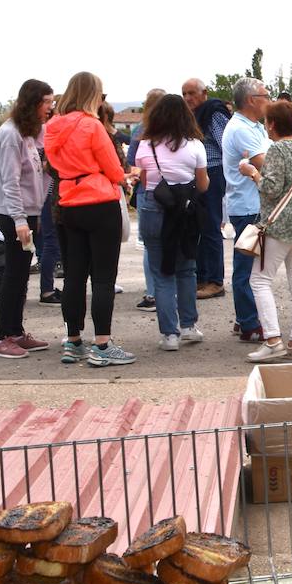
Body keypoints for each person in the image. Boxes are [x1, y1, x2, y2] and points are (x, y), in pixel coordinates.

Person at [44, 72, 137, 367]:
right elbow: (113, 167)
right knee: (103, 278)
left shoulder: (52, 125)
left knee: (74, 276)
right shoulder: (92, 125)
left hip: (68, 201)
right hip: (99, 201)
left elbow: (52, 164)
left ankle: (73, 341)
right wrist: (126, 177)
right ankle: (102, 345)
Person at [237, 99, 292, 362]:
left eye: (266, 122)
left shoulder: (276, 150)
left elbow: (270, 189)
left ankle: (273, 340)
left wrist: (252, 172)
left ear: (272, 124)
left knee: (260, 280)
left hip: (280, 225)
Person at [133, 93, 209, 352]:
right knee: (186, 269)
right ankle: (188, 326)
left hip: (153, 207)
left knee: (161, 272)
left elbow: (145, 181)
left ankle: (169, 335)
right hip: (185, 210)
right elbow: (203, 185)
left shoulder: (146, 145)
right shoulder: (195, 146)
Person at [0, 79, 55, 359]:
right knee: (14, 274)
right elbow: (10, 181)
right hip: (13, 214)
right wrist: (19, 220)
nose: (50, 108)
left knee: (22, 275)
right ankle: (2, 337)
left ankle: (16, 332)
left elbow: (37, 173)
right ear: (32, 102)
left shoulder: (29, 133)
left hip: (30, 212)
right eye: (46, 102)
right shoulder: (10, 134)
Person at [221, 78, 272, 342]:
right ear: (252, 100)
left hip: (252, 204)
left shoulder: (254, 127)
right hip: (249, 207)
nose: (269, 101)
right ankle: (249, 322)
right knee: (247, 268)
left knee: (252, 265)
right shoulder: (242, 129)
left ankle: (245, 318)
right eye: (266, 95)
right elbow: (265, 163)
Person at [183, 77, 230, 300]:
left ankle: (215, 281)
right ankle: (201, 278)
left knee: (211, 227)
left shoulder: (213, 113)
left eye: (192, 93)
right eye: (184, 94)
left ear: (204, 93)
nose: (188, 98)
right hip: (198, 174)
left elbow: (226, 146)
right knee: (199, 228)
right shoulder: (193, 116)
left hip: (213, 171)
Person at [127, 88, 167, 311]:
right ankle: (169, 290)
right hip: (172, 192)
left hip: (146, 190)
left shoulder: (140, 130)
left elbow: (133, 162)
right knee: (169, 241)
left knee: (150, 245)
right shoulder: (175, 130)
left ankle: (152, 293)